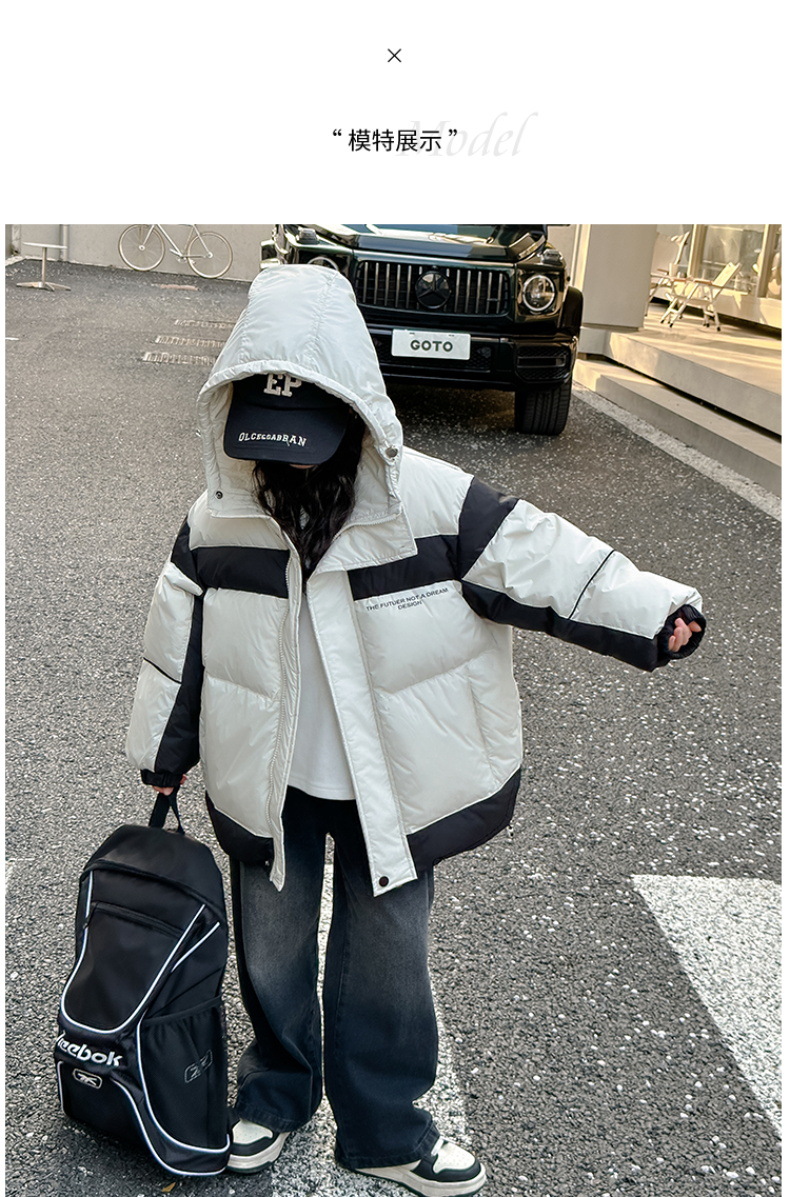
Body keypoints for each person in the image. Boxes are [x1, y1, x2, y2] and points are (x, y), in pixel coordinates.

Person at [126, 264, 705, 1196]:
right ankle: (275, 1094)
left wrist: (653, 608)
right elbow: (179, 641)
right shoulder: (217, 514)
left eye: (309, 437)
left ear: (355, 406)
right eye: (268, 438)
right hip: (264, 777)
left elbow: (546, 556)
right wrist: (164, 754)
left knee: (388, 961)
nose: (289, 460)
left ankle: (386, 1130)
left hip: (388, 784)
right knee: (270, 952)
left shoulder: (428, 500)